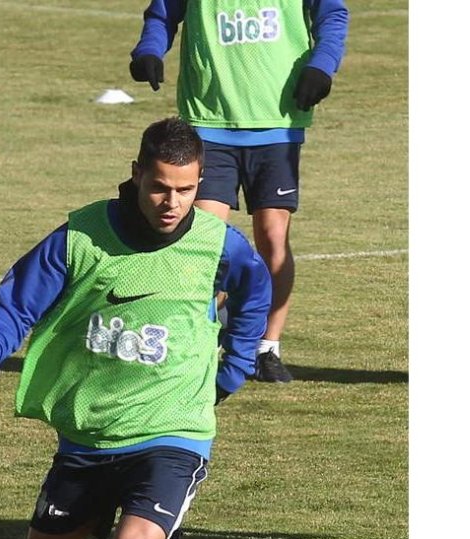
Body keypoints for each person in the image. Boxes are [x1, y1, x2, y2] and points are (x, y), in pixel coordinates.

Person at [0, 117, 271, 539]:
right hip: (88, 435)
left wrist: (236, 366)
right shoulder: (82, 236)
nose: (172, 202)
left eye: (186, 189)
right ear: (136, 175)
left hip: (174, 431)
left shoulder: (220, 245)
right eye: (160, 187)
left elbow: (254, 291)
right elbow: (17, 300)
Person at [128, 0, 348, 382]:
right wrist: (149, 48)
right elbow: (164, 12)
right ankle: (196, 340)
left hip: (277, 120)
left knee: (272, 236)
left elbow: (332, 12)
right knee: (205, 238)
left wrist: (322, 64)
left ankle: (267, 348)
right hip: (209, 120)